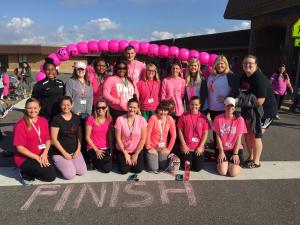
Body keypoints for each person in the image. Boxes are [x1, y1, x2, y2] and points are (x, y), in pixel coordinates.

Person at [240, 55, 277, 168]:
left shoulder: (259, 78)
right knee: (248, 134)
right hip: (251, 110)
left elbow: (260, 101)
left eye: (250, 63)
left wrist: (239, 101)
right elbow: (242, 91)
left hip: (266, 112)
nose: (248, 65)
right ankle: (250, 157)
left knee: (257, 135)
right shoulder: (244, 77)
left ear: (256, 65)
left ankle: (256, 161)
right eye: (245, 63)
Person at [13, 98, 56, 185]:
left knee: (52, 169)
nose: (33, 110)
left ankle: (37, 168)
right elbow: (19, 148)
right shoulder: (20, 125)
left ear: (39, 108)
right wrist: (37, 157)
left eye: (35, 108)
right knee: (50, 176)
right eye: (30, 108)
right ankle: (25, 173)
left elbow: (47, 140)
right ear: (25, 109)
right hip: (25, 158)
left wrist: (44, 153)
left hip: (42, 154)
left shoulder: (43, 121)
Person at [50, 96, 87, 180]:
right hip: (60, 153)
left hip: (74, 151)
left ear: (72, 105)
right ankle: (57, 163)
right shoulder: (56, 119)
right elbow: (53, 139)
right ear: (60, 105)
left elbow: (79, 136)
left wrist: (78, 150)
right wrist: (64, 153)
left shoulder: (76, 118)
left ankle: (69, 163)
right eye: (63, 105)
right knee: (70, 175)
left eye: (68, 105)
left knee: (82, 171)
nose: (66, 107)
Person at [207, 55, 239, 149]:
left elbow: (236, 90)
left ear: (226, 64)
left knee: (224, 131)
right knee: (215, 130)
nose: (220, 65)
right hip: (212, 108)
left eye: (222, 63)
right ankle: (217, 148)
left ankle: (225, 151)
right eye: (218, 64)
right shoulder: (212, 75)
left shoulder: (229, 75)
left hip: (223, 108)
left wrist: (226, 98)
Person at [212, 97, 247, 177]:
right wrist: (221, 152)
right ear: (224, 106)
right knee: (223, 172)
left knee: (233, 173)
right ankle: (226, 163)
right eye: (228, 106)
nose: (230, 108)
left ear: (234, 108)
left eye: (232, 106)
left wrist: (235, 154)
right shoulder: (218, 119)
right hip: (222, 149)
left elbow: (239, 138)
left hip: (235, 149)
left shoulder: (239, 119)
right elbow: (218, 137)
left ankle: (230, 164)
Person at [114, 96, 147, 174]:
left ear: (138, 108)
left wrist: (136, 154)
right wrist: (125, 154)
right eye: (130, 107)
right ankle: (121, 159)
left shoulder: (142, 120)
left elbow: (143, 139)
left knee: (138, 170)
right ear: (127, 107)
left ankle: (133, 160)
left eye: (134, 107)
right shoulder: (120, 119)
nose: (132, 109)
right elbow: (118, 138)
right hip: (123, 149)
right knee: (124, 170)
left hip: (136, 150)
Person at [178, 96, 209, 172]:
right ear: (189, 105)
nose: (194, 106)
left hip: (198, 147)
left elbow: (205, 133)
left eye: (196, 104)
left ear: (199, 105)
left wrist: (201, 146)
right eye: (192, 104)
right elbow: (180, 130)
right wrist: (184, 145)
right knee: (187, 167)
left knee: (197, 168)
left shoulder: (203, 117)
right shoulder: (184, 116)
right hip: (187, 147)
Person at [145, 100, 176, 173]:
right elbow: (147, 133)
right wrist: (149, 148)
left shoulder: (170, 119)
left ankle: (168, 157)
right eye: (161, 110)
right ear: (157, 110)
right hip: (153, 147)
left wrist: (168, 149)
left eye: (165, 110)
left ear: (168, 111)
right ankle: (146, 155)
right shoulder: (153, 118)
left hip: (163, 148)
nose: (163, 112)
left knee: (163, 167)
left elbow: (173, 135)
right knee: (154, 169)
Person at [85, 98, 113, 173]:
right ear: (95, 108)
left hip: (105, 147)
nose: (100, 109)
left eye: (103, 107)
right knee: (106, 167)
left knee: (107, 169)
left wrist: (111, 149)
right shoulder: (91, 119)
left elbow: (110, 135)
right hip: (93, 147)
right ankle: (92, 160)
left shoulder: (109, 119)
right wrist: (96, 149)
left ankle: (96, 162)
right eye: (98, 107)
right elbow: (87, 137)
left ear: (106, 108)